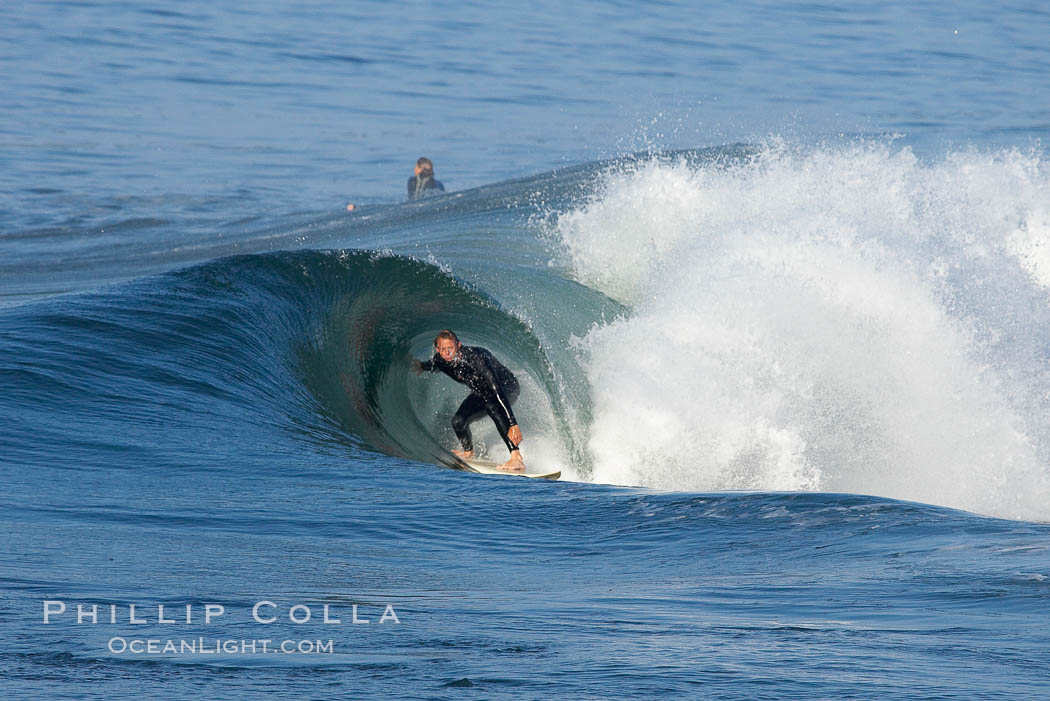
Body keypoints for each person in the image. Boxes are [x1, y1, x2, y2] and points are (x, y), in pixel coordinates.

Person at [412, 330, 524, 472]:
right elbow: (433, 365)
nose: (447, 353)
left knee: (492, 407)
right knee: (458, 421)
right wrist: (421, 366)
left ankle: (516, 457)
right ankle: (469, 452)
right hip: (482, 392)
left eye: (450, 348)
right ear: (438, 349)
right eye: (443, 349)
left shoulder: (476, 357)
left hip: (506, 386)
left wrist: (513, 423)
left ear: (458, 345)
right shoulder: (441, 360)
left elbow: (496, 389)